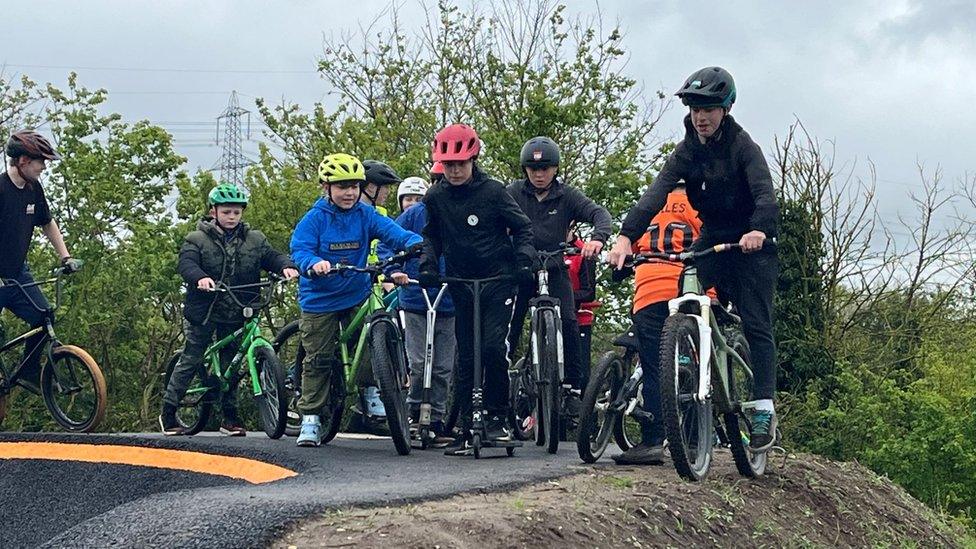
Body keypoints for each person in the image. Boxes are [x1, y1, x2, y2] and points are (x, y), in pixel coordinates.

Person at [608, 66, 780, 452]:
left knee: (756, 320)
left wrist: (758, 230)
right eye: (694, 108)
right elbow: (654, 195)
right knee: (686, 290)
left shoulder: (743, 148)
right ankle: (685, 353)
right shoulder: (687, 151)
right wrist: (624, 237)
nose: (700, 116)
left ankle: (764, 408)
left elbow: (766, 195)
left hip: (753, 241)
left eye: (709, 109)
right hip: (715, 237)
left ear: (726, 108)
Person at [290, 153, 422, 448]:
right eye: (342, 187)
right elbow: (299, 250)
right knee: (319, 358)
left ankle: (377, 392)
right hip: (320, 298)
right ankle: (310, 417)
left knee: (370, 342)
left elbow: (394, 233)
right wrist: (313, 262)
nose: (349, 193)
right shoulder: (315, 219)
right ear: (326, 188)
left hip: (355, 293)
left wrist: (414, 243)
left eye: (354, 186)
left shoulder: (365, 215)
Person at [419, 123, 535, 455]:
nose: (455, 171)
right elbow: (432, 235)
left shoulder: (495, 192)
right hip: (461, 282)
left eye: (461, 164)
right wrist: (428, 265)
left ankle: (498, 418)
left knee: (493, 348)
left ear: (473, 159)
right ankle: (469, 423)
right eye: (449, 165)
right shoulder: (436, 196)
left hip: (498, 281)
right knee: (466, 355)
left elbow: (523, 228)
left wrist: (524, 261)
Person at [162, 183, 298, 436]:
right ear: (213, 211)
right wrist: (200, 278)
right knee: (192, 356)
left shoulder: (255, 239)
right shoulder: (197, 239)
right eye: (226, 212)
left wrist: (286, 266)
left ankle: (230, 418)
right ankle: (169, 411)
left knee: (232, 364)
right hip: (205, 309)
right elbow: (187, 264)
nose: (232, 217)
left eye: (236, 212)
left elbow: (271, 256)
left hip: (240, 307)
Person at [506, 136, 612, 412]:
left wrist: (597, 239)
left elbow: (599, 214)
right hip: (522, 270)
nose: (539, 174)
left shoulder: (567, 195)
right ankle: (497, 383)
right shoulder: (513, 193)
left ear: (555, 169)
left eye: (545, 169)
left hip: (555, 268)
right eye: (533, 169)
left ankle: (573, 389)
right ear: (525, 170)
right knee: (509, 325)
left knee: (569, 321)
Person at [612, 184, 705, 464]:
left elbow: (628, 252)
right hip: (691, 289)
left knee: (654, 365)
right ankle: (692, 441)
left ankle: (652, 439)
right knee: (695, 364)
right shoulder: (701, 206)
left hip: (649, 290)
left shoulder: (645, 209)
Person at [0, 131, 80, 393]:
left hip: (17, 274)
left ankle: (29, 372)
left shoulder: (34, 189)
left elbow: (47, 222)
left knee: (44, 317)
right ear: (23, 160)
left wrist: (65, 256)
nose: (44, 166)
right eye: (40, 161)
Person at [381, 177, 455, 447]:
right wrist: (394, 271)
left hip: (449, 299)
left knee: (443, 365)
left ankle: (436, 418)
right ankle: (413, 414)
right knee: (419, 361)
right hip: (415, 296)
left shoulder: (459, 213)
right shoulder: (413, 216)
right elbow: (387, 244)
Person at [565, 228, 600, 384]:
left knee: (581, 372)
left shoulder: (584, 251)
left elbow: (589, 292)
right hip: (550, 315)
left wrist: (566, 299)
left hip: (580, 318)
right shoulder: (546, 247)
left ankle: (581, 402)